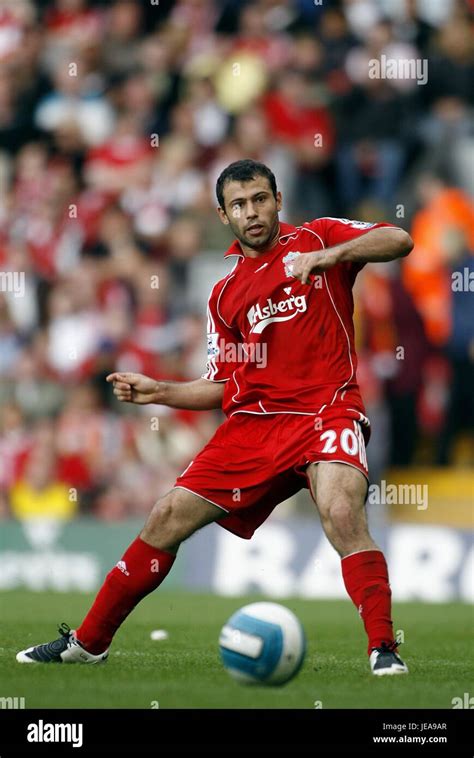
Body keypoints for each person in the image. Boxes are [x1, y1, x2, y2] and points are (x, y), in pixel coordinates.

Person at [16, 159, 413, 675]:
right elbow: (226, 385)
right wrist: (160, 390)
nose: (252, 212)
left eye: (260, 199)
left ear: (277, 200)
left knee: (342, 512)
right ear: (224, 215)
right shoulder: (224, 295)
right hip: (254, 427)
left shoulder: (319, 237)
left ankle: (383, 648)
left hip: (327, 412)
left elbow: (399, 239)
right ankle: (89, 643)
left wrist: (330, 256)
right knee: (165, 516)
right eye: (239, 205)